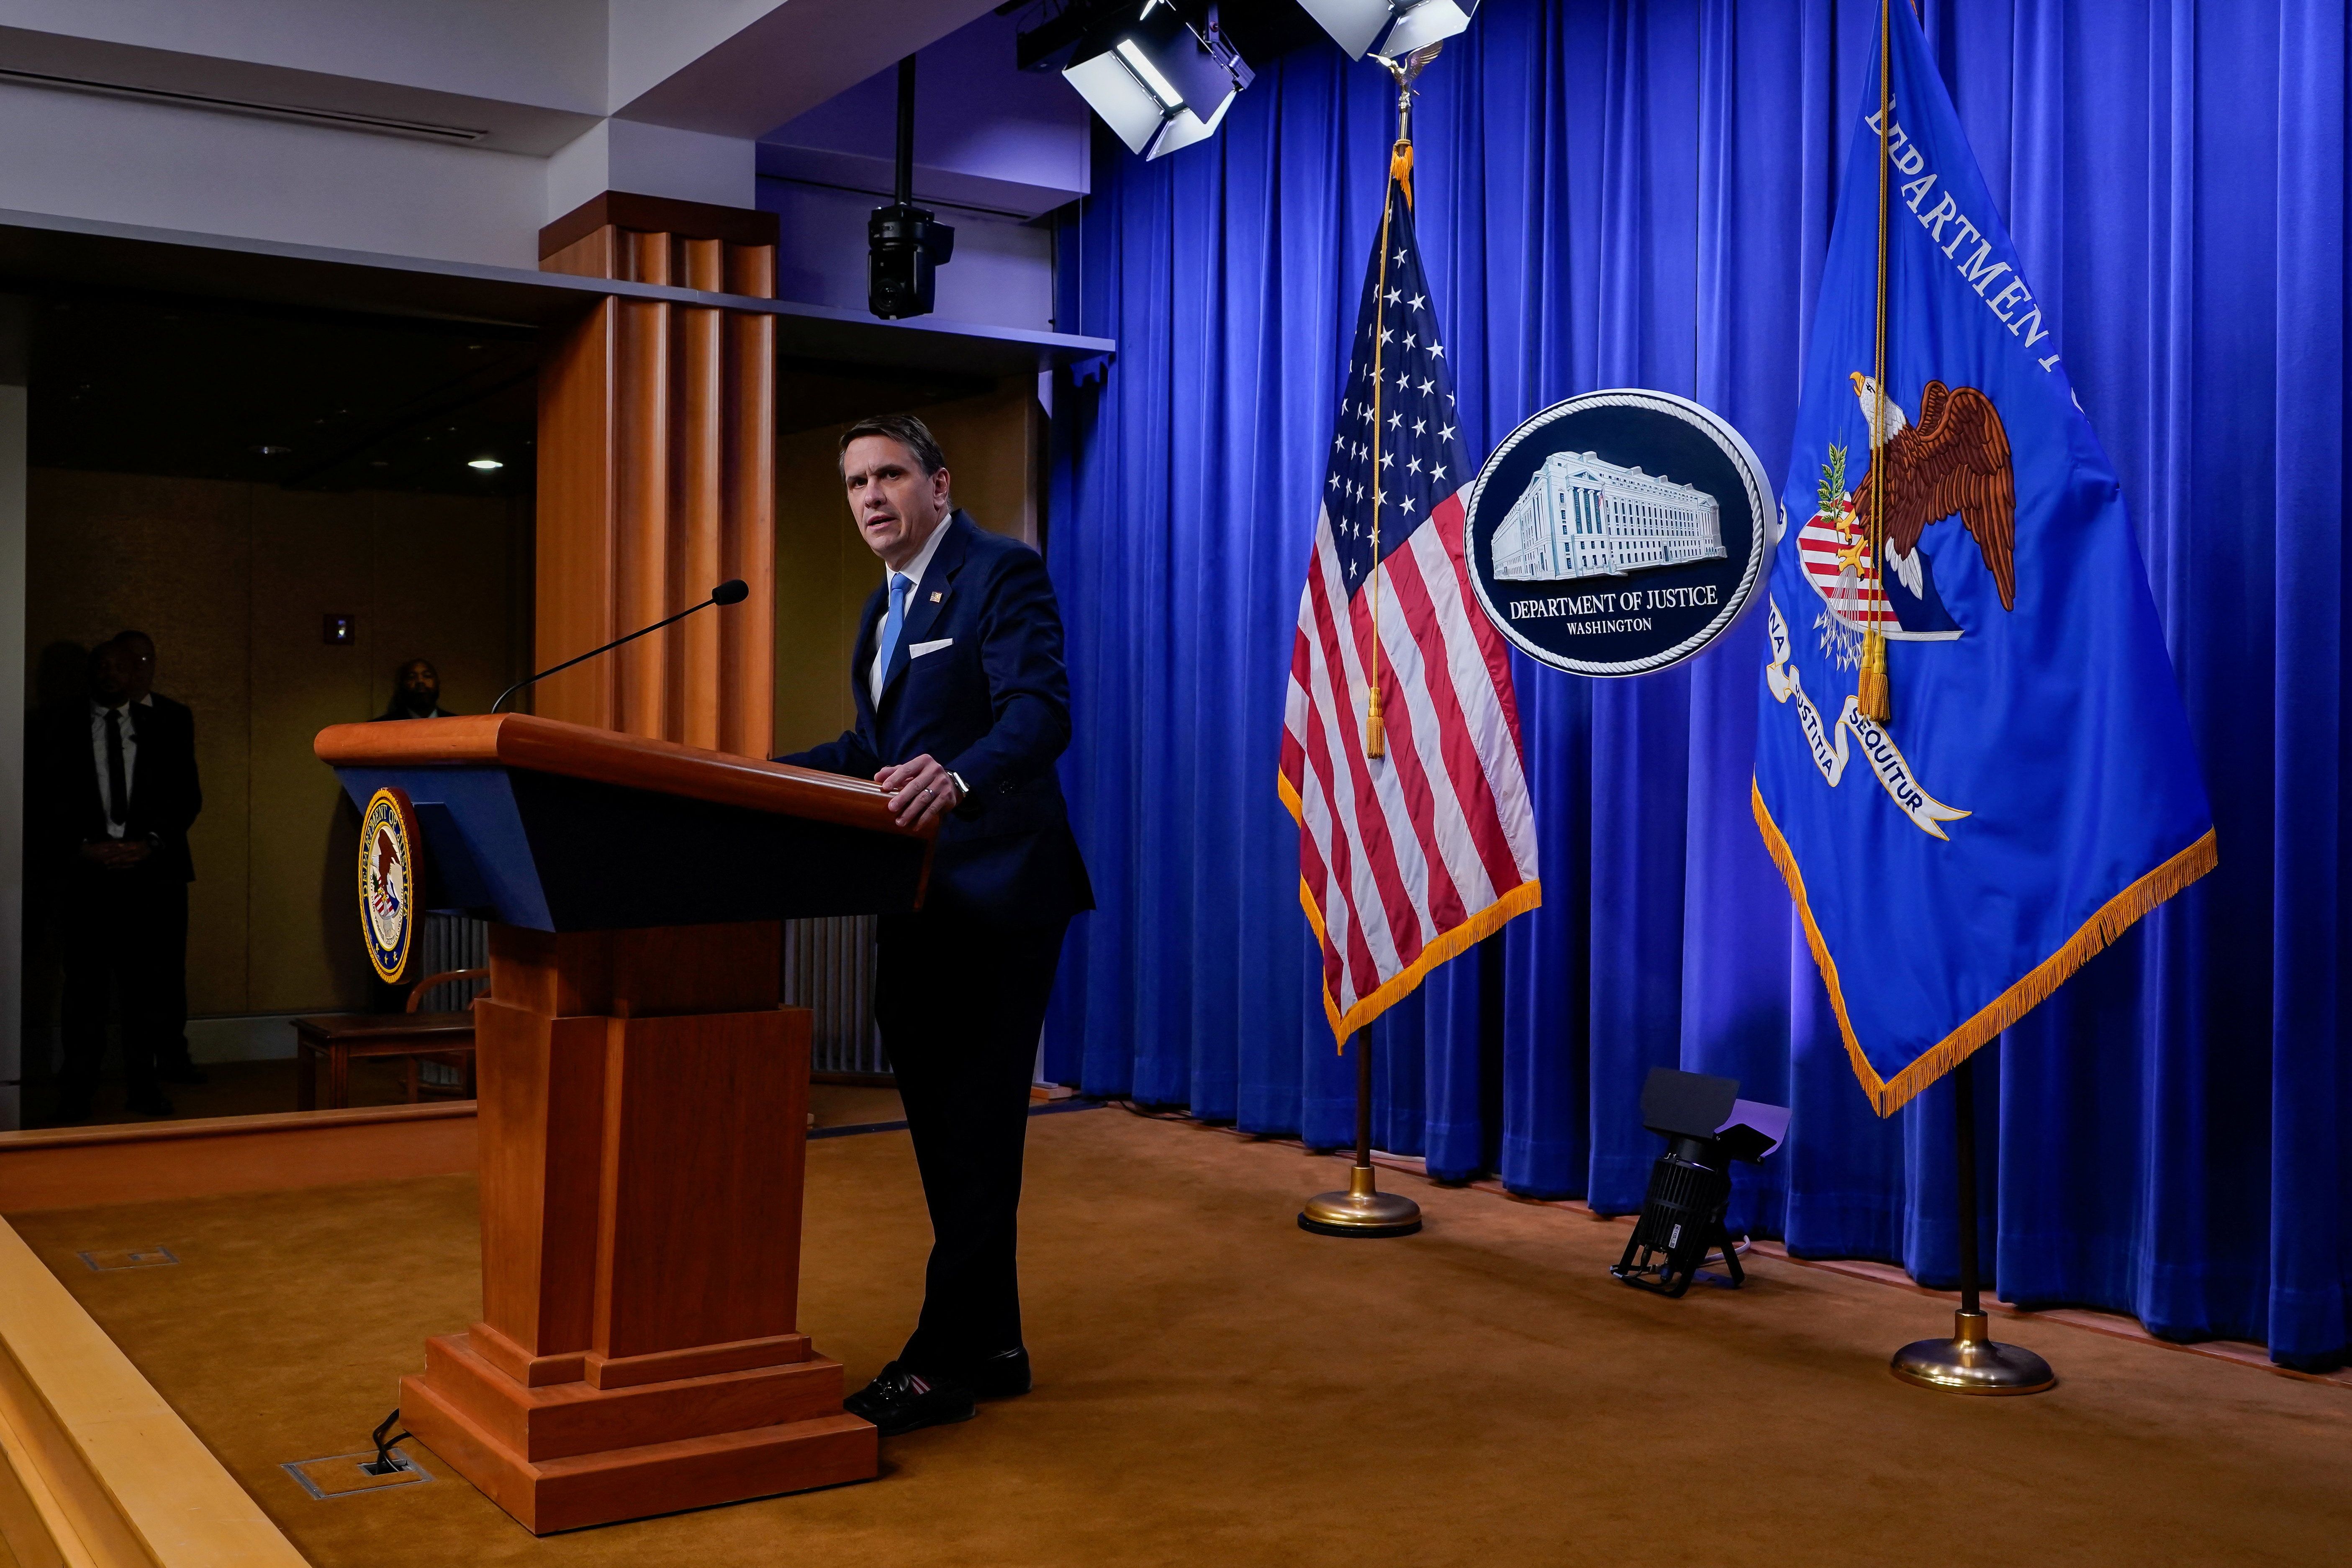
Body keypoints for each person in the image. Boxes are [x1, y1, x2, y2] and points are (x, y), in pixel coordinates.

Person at [780, 413, 1092, 1437]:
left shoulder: (1000, 572)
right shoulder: (881, 610)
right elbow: (872, 746)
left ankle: (940, 1360)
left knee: (975, 1133)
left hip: (998, 898)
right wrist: (759, 772)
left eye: (889, 475)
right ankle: (993, 1342)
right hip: (915, 904)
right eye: (854, 482)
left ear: (938, 483)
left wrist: (958, 779)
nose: (870, 497)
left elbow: (1039, 711)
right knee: (948, 1141)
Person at [31, 638, 204, 1120]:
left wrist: (149, 842)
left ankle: (145, 1087)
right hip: (84, 878)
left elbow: (185, 795)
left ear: (136, 675)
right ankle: (78, 1089)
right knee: (83, 987)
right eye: (102, 667)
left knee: (144, 989)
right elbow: (41, 798)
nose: (111, 675)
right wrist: (81, 849)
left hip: (147, 877)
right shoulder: (55, 723)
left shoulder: (165, 722)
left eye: (120, 667)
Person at [111, 629, 205, 1087]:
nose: (139, 668)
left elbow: (187, 794)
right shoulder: (88, 720)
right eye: (130, 660)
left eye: (146, 659)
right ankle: (126, 1065)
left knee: (168, 968)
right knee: (109, 970)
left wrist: (153, 840)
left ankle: (172, 1055)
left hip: (163, 863)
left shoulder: (173, 717)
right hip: (102, 865)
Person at [376, 659, 454, 720]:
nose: (420, 681)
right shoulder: (379, 728)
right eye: (412, 677)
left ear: (438, 683)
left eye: (427, 676)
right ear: (402, 685)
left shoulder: (458, 724)